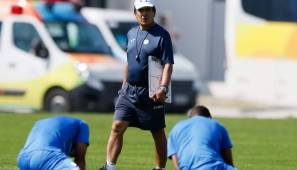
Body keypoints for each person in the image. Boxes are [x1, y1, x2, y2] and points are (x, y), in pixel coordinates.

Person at [100, 0, 174, 170]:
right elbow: (129, 61)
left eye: (148, 10)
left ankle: (159, 168)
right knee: (117, 126)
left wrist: (163, 87)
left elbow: (168, 64)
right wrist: (124, 85)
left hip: (151, 91)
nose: (144, 13)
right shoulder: (131, 33)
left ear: (154, 12)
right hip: (129, 91)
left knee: (157, 131)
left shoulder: (162, 35)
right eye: (141, 10)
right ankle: (109, 167)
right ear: (135, 13)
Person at [167, 105, 237, 170]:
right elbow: (228, 161)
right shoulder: (217, 125)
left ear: (189, 118)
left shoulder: (176, 128)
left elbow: (176, 165)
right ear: (209, 118)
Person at [17, 116, 90, 170]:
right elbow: (80, 158)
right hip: (46, 156)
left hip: (23, 158)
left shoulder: (40, 122)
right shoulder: (82, 124)